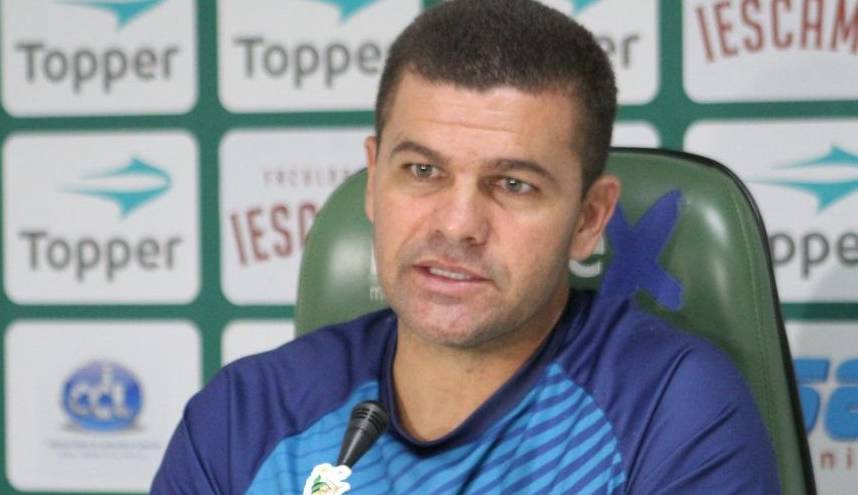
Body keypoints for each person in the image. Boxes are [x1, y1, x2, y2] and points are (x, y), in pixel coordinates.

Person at [152, 0, 780, 493]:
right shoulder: (243, 418)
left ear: (590, 219)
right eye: (422, 171)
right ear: (373, 181)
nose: (457, 226)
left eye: (513, 184)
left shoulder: (671, 408)